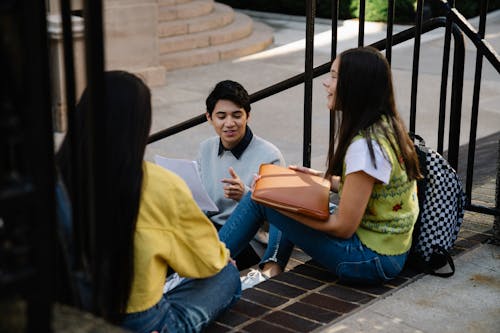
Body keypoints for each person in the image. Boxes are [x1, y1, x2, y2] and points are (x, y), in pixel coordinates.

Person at [219, 46, 422, 286]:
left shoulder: (365, 147)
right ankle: (267, 271)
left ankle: (195, 273)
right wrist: (318, 178)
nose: (327, 83)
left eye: (334, 76)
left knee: (260, 198)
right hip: (388, 251)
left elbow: (343, 227)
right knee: (282, 196)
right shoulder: (386, 126)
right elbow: (368, 189)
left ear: (354, 85)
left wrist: (287, 209)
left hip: (368, 260)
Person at [57, 71, 241, 332]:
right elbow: (208, 261)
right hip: (140, 321)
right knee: (227, 273)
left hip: (70, 311)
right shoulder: (159, 184)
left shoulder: (52, 179)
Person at [197, 80, 294, 287]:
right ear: (209, 118)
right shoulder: (206, 148)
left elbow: (280, 219)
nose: (229, 123)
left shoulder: (269, 155)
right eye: (221, 116)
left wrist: (246, 196)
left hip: (251, 242)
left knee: (197, 264)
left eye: (237, 115)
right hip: (210, 230)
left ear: (248, 116)